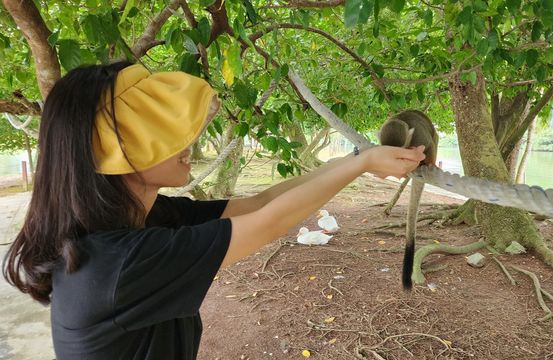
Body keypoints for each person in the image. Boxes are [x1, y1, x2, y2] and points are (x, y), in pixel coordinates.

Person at [2, 61, 425, 359]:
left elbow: (262, 202)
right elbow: (270, 222)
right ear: (118, 153)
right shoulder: (119, 263)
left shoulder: (142, 218)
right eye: (161, 133)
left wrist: (354, 159)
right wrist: (360, 165)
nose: (187, 142)